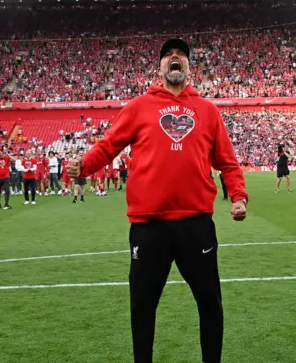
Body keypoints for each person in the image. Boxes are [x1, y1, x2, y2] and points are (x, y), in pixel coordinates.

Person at [67, 38, 248, 363]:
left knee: (210, 303)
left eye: (181, 55)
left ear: (189, 68)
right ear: (160, 66)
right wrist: (85, 165)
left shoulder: (207, 110)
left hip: (196, 225)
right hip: (149, 226)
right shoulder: (139, 107)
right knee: (142, 306)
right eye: (168, 55)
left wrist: (238, 197)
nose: (174, 58)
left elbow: (227, 163)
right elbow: (109, 146)